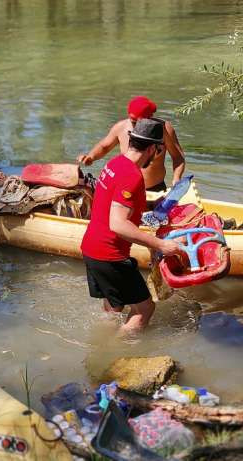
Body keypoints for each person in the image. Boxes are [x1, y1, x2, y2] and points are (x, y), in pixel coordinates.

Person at [80, 118, 183, 334]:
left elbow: (110, 202)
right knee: (144, 309)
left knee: (115, 305)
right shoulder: (133, 176)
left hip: (90, 247)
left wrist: (149, 207)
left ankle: (101, 341)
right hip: (109, 254)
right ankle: (116, 350)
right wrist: (161, 245)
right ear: (154, 149)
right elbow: (118, 224)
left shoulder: (114, 163)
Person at [76, 96, 186, 192]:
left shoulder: (164, 129)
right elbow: (104, 147)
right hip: (126, 188)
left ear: (150, 117)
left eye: (141, 123)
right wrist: (91, 157)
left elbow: (178, 157)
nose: (137, 127)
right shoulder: (121, 127)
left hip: (155, 189)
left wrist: (176, 179)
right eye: (134, 122)